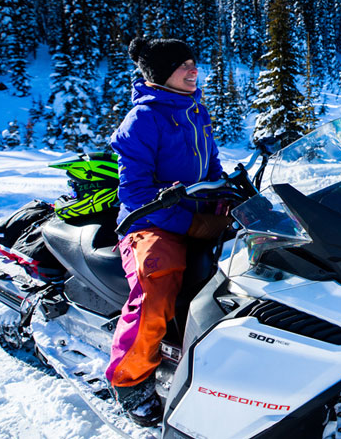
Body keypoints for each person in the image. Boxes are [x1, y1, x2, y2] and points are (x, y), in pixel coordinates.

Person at [105, 36, 229, 427]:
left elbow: (212, 168)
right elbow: (136, 192)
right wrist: (190, 223)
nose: (194, 71)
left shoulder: (194, 110)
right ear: (162, 75)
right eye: (183, 66)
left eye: (194, 63)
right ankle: (130, 378)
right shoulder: (142, 120)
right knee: (158, 285)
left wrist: (229, 195)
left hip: (199, 214)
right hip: (149, 224)